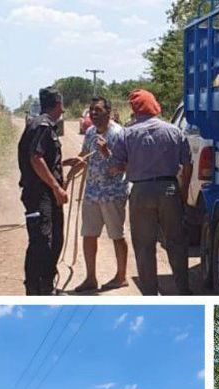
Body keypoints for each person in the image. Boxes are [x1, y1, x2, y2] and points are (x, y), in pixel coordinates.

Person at [110, 89, 192, 295]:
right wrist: (182, 190)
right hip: (169, 189)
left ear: (134, 108)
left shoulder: (127, 133)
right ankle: (183, 289)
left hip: (141, 191)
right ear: (154, 105)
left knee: (144, 245)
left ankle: (150, 293)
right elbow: (188, 164)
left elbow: (117, 166)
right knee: (176, 242)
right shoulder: (173, 131)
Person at [64, 96, 129, 293]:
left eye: (98, 110)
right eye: (91, 110)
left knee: (117, 235)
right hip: (92, 193)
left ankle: (121, 277)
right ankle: (90, 278)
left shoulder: (119, 134)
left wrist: (106, 152)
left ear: (108, 113)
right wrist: (67, 177)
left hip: (112, 194)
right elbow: (84, 158)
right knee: (88, 235)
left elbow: (124, 165)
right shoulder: (91, 132)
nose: (93, 114)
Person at [17, 86, 68, 295]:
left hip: (47, 193)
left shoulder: (41, 124)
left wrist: (65, 165)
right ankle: (36, 290)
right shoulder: (43, 125)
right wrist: (56, 187)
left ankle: (46, 286)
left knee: (55, 240)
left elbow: (43, 159)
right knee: (42, 242)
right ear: (58, 104)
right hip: (40, 195)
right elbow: (36, 158)